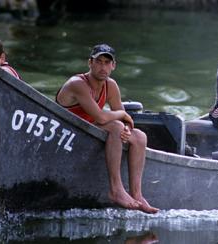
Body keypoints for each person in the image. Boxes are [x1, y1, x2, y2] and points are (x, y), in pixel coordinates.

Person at [56, 44, 158, 214]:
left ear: (113, 66)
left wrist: (126, 129)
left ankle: (137, 195)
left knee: (139, 136)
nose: (103, 67)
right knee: (116, 125)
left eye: (107, 63)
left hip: (88, 129)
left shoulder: (110, 86)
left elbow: (125, 120)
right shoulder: (77, 83)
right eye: (99, 62)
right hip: (68, 134)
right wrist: (122, 119)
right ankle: (116, 190)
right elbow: (103, 117)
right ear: (90, 63)